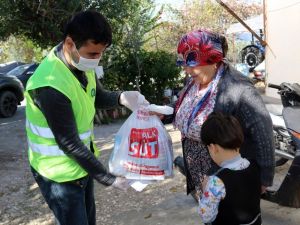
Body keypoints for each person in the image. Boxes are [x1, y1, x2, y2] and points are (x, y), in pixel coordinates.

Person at [25, 11, 147, 225]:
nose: (97, 59)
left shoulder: (81, 63)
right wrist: (108, 178)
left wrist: (121, 97)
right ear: (70, 43)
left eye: (100, 54)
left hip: (81, 165)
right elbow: (69, 143)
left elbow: (96, 96)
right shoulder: (50, 84)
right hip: (58, 175)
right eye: (92, 54)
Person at [173, 29, 274, 199]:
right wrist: (167, 114)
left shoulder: (239, 89)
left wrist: (264, 178)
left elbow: (263, 134)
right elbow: (188, 108)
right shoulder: (195, 81)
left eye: (191, 62)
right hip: (200, 173)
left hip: (228, 176)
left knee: (228, 215)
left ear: (213, 60)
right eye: (183, 63)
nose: (186, 70)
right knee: (210, 214)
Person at [199, 112, 261, 225]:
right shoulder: (253, 164)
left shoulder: (216, 182)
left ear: (213, 148)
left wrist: (204, 191)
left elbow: (206, 216)